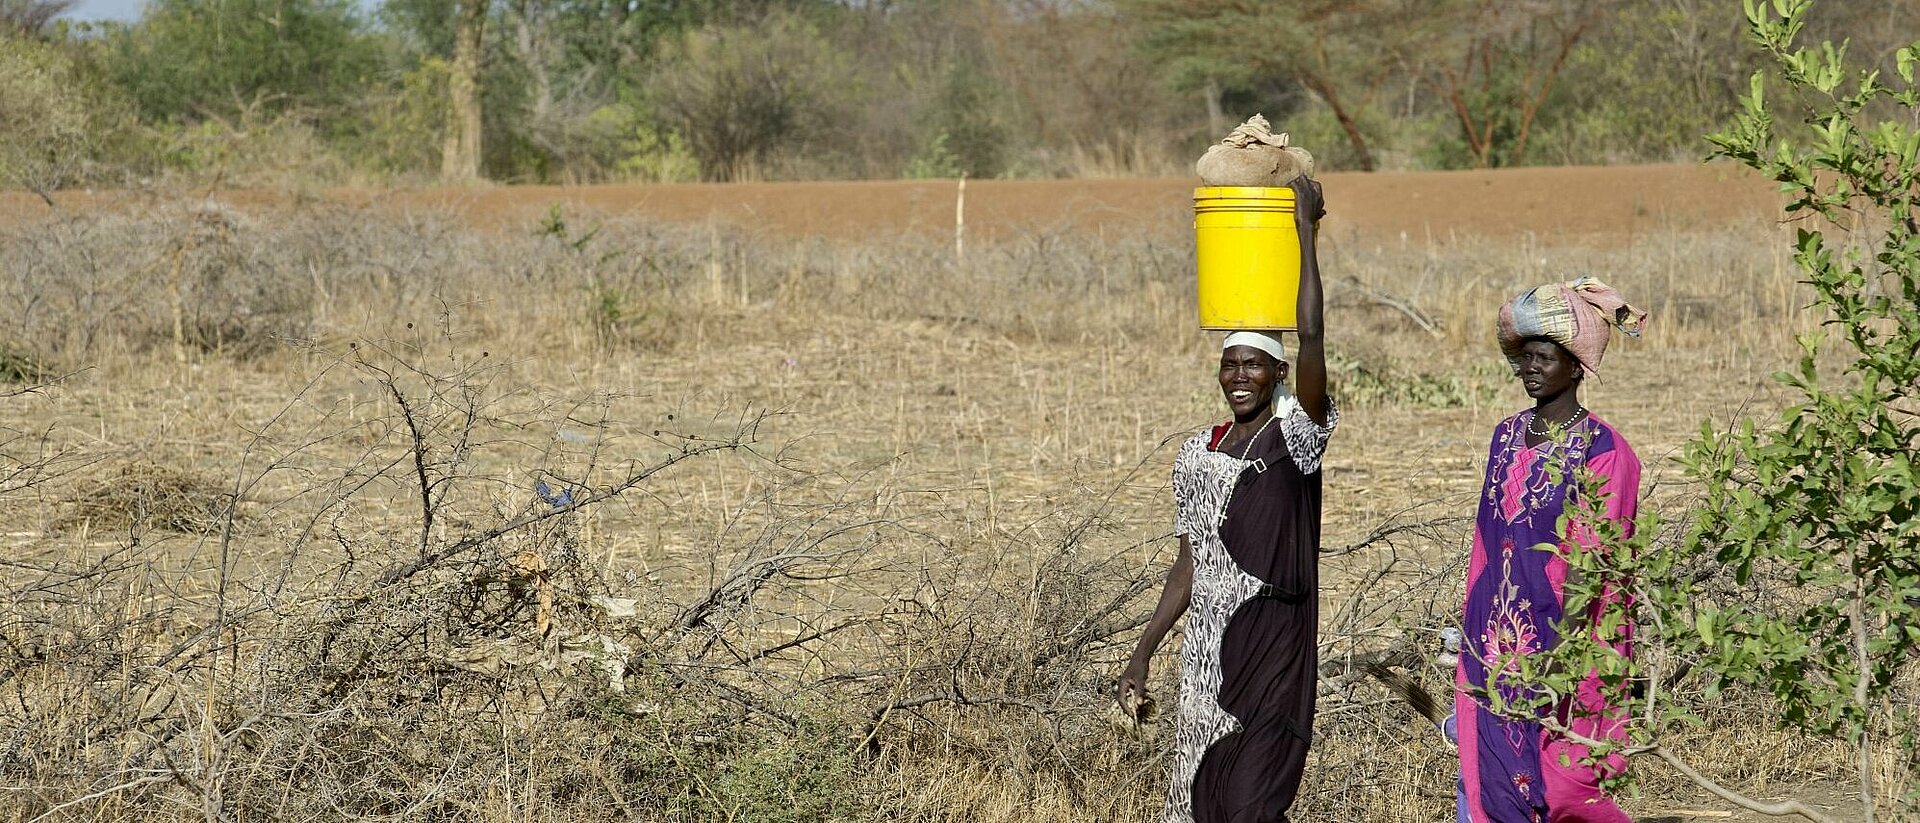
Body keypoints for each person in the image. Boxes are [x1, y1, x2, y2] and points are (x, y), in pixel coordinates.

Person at [1117, 177, 1336, 823]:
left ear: (1279, 373)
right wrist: (1144, 649)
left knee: (1251, 801)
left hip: (1275, 643)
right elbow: (1189, 563)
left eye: (1254, 365)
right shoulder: (1197, 452)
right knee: (1205, 798)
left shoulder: (1297, 435)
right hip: (1210, 649)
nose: (1239, 375)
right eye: (1229, 365)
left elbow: (1316, 337)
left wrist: (1304, 233)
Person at [1455, 278, 1647, 823]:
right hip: (1494, 640)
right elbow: (1487, 543)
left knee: (1566, 785)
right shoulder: (1504, 437)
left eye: (1544, 357)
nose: (1529, 368)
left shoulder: (1606, 453)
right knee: (1491, 774)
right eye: (1524, 358)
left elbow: (1594, 566)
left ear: (1576, 366)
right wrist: (1472, 625)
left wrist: (1556, 656)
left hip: (1568, 646)